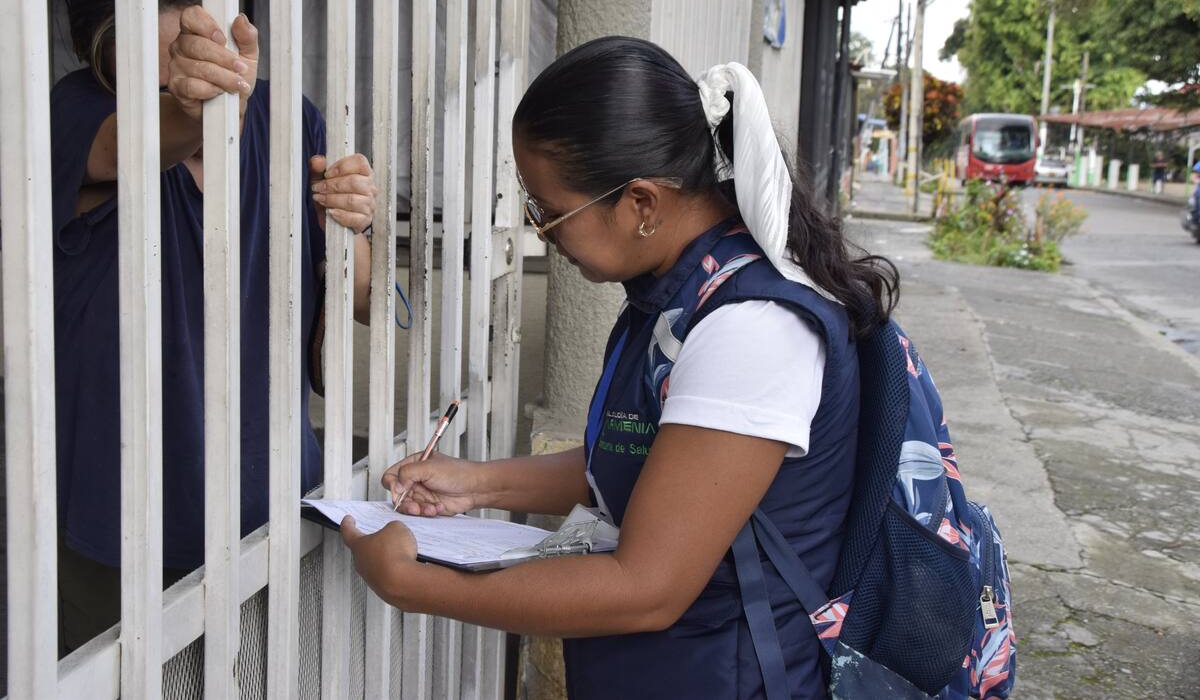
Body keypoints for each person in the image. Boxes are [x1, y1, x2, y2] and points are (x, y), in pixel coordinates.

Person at [340, 37, 899, 698]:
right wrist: (476, 485)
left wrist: (414, 584)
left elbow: (647, 589)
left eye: (550, 213)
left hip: (732, 677)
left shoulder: (751, 327)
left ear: (641, 204)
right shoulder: (676, 292)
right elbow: (645, 465)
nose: (541, 233)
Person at [51, 0, 376, 653]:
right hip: (120, 513)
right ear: (103, 63)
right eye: (158, 70)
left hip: (271, 496)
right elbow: (142, 143)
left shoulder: (290, 120)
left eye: (196, 51)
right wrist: (197, 114)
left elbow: (360, 299)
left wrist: (352, 223)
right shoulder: (75, 116)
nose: (185, 79)